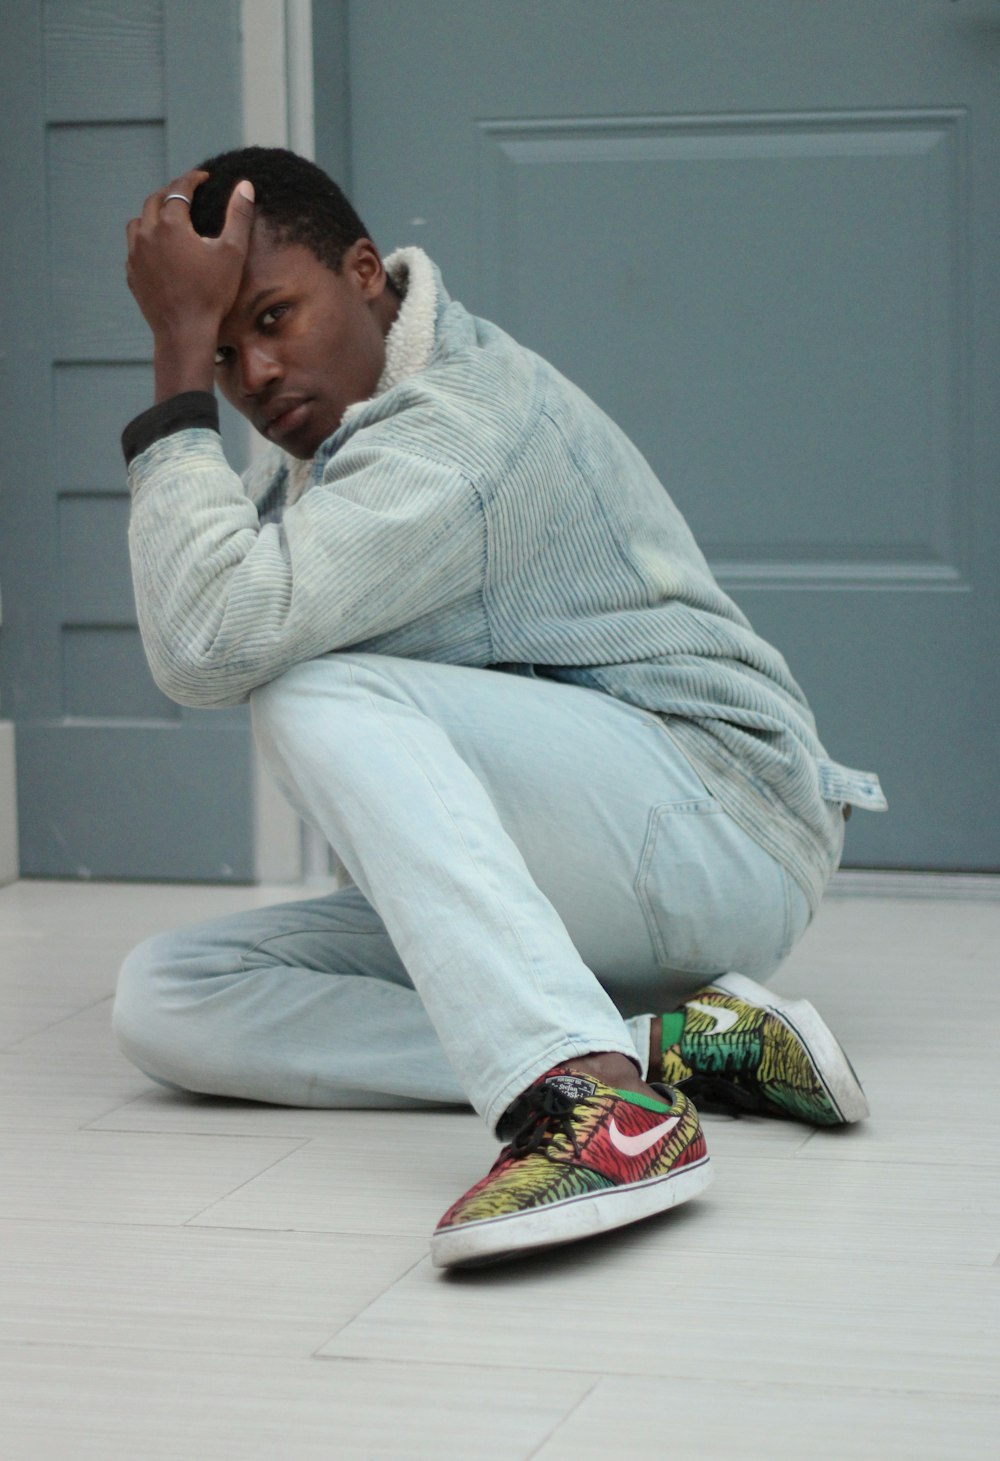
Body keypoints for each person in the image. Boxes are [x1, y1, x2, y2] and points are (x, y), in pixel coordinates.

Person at [114, 146, 886, 1269]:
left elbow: (209, 642)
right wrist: (193, 349)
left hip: (722, 825)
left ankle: (593, 1108)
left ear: (367, 273)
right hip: (600, 866)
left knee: (311, 684)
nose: (256, 371)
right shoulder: (337, 438)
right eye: (226, 351)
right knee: (169, 997)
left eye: (275, 315)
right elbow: (203, 618)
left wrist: (175, 361)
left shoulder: (456, 430)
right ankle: (665, 1050)